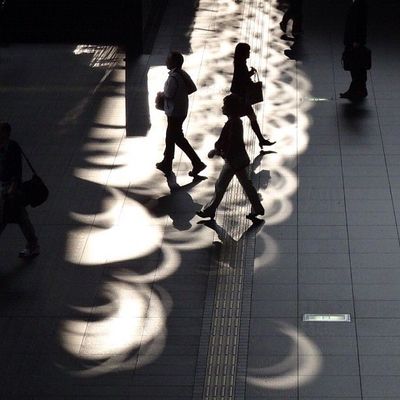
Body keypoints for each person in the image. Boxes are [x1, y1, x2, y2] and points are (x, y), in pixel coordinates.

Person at [196, 94, 265, 221]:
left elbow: (231, 142)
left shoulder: (233, 123)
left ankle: (211, 210)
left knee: (220, 185)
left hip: (233, 161)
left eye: (224, 106)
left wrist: (218, 151)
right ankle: (258, 208)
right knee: (245, 185)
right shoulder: (235, 122)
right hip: (238, 160)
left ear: (230, 109)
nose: (222, 108)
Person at [156, 51, 206, 177]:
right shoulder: (181, 73)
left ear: (174, 62)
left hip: (174, 112)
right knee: (170, 137)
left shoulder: (173, 77)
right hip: (180, 109)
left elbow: (169, 94)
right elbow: (191, 88)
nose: (166, 61)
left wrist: (161, 95)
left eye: (168, 59)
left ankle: (197, 162)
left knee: (177, 138)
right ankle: (167, 162)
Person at [0, 122, 40, 258]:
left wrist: (13, 187)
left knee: (18, 217)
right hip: (4, 188)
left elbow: (17, 170)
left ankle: (33, 245)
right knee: (19, 218)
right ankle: (33, 245)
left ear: (6, 133)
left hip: (11, 190)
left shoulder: (12, 147)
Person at [231, 43, 275, 149]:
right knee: (240, 120)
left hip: (239, 96)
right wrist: (253, 81)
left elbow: (241, 78)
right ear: (243, 53)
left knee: (245, 119)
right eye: (248, 51)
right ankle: (260, 140)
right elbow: (243, 80)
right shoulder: (241, 64)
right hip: (240, 98)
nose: (249, 52)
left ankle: (261, 140)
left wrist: (250, 73)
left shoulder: (239, 63)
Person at [340, 0, 368, 99]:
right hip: (354, 40)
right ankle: (359, 90)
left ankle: (356, 90)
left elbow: (359, 24)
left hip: (354, 41)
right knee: (357, 67)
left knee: (356, 66)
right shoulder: (358, 4)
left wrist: (357, 40)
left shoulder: (359, 4)